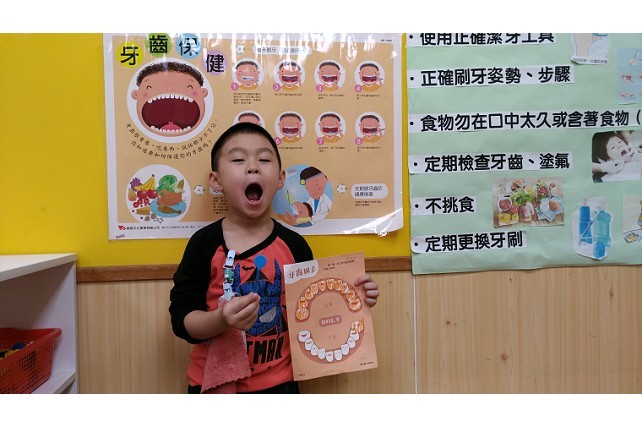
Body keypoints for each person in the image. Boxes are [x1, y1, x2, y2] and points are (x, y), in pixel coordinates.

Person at [169, 122, 379, 393]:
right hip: (214, 385)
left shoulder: (295, 246)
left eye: (264, 159)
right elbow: (182, 321)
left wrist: (354, 299)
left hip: (281, 385)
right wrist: (221, 320)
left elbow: (313, 312)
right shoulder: (204, 244)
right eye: (238, 159)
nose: (253, 167)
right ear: (216, 181)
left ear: (280, 179)